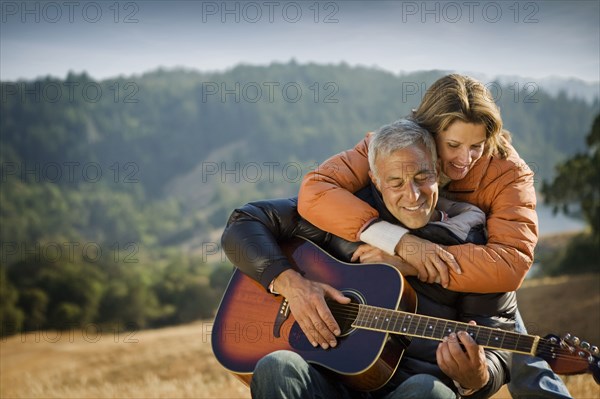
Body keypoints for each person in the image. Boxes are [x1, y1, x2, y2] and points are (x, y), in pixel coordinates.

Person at [296, 74, 571, 398]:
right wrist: (400, 242)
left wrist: (417, 262)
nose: (464, 159)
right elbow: (316, 191)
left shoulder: (509, 172)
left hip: (476, 266)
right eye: (453, 145)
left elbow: (510, 263)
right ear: (428, 130)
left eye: (476, 147)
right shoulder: (396, 143)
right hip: (411, 261)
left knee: (509, 336)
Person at [222, 119, 514, 398]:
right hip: (325, 382)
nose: (412, 196)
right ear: (375, 179)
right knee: (277, 367)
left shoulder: (479, 248)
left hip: (410, 390)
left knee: (433, 391)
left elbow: (498, 344)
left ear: (437, 169)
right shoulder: (341, 214)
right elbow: (243, 222)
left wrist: (478, 377)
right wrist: (291, 284)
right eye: (396, 183)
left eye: (422, 178)